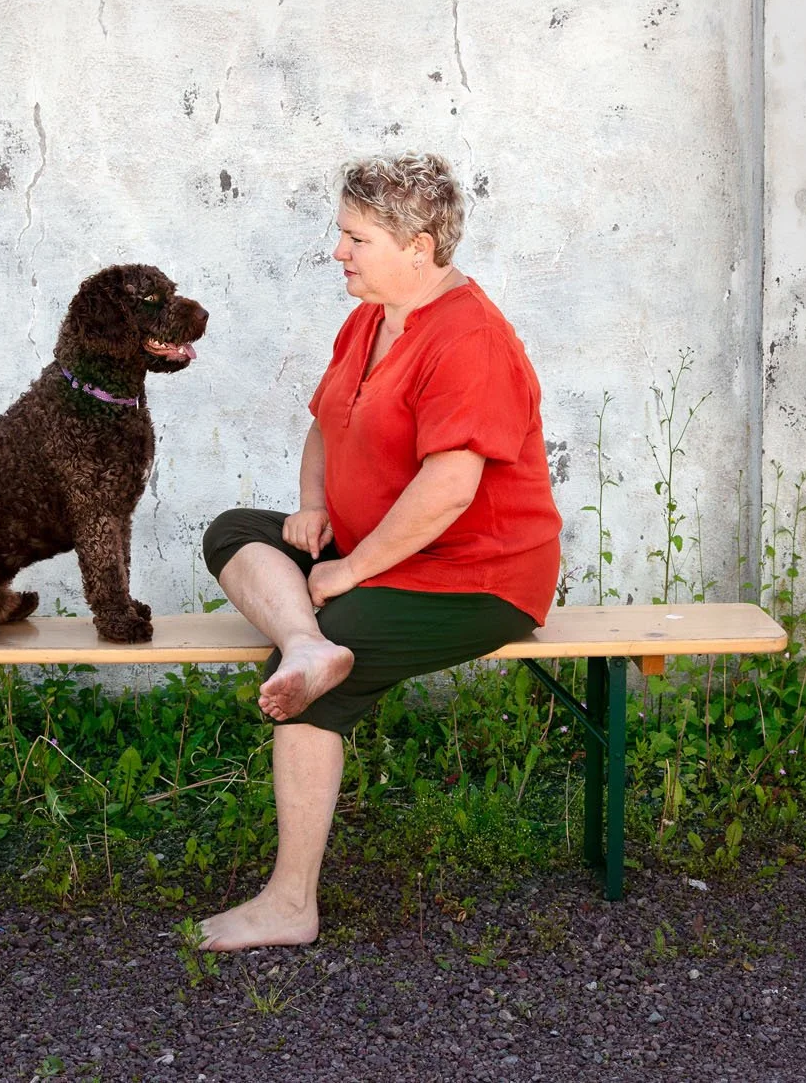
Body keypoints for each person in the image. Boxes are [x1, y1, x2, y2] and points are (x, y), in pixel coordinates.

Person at [197, 152, 562, 951]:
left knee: (315, 676)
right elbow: (327, 423)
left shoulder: (470, 338)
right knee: (234, 531)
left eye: (356, 239)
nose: (339, 252)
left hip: (475, 578)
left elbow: (450, 489)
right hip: (376, 550)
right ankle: (307, 641)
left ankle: (290, 903)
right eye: (343, 234)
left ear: (419, 249)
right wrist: (313, 507)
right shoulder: (370, 318)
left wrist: (352, 569)